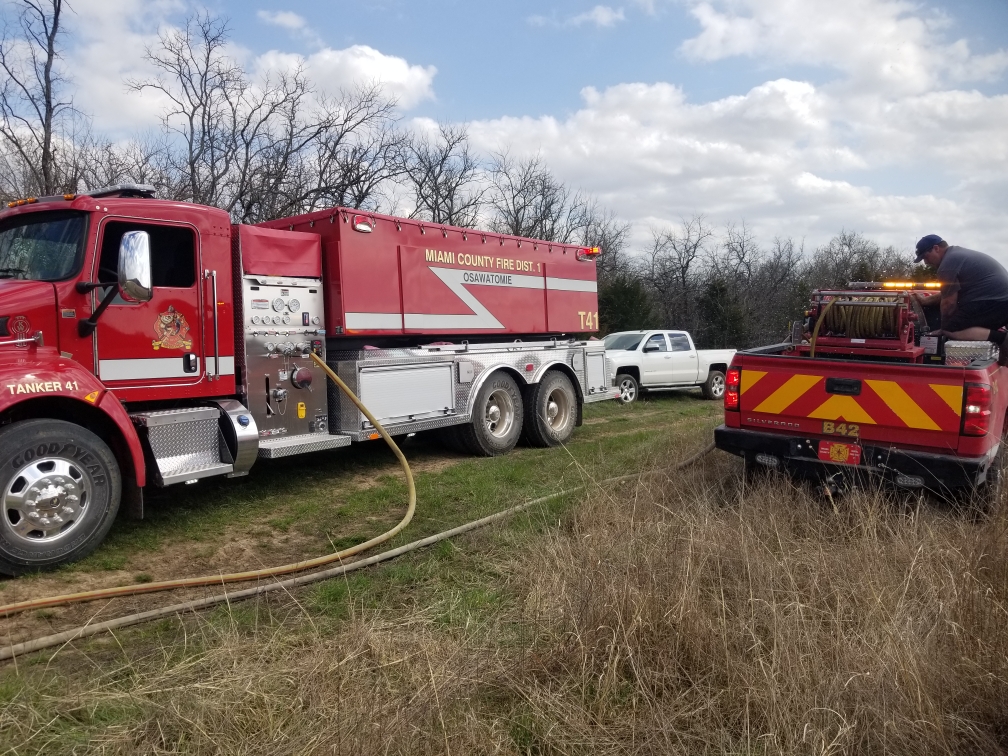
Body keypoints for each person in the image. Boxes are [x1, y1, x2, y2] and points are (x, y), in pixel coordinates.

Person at [913, 234, 1008, 347]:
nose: (926, 262)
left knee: (951, 330)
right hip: (1000, 300)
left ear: (936, 248)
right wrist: (925, 301)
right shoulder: (956, 255)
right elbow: (948, 293)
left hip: (995, 302)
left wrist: (943, 327)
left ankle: (1002, 339)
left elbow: (949, 303)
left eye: (925, 257)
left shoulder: (947, 265)